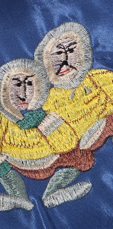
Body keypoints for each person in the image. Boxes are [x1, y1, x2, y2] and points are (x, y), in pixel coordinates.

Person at [0, 58, 79, 210]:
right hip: (16, 161)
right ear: (3, 90)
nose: (22, 94)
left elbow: (67, 141)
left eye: (29, 84)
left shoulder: (48, 112)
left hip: (51, 159)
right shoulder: (1, 119)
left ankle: (53, 192)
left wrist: (45, 123)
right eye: (16, 85)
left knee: (79, 153)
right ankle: (19, 197)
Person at [31, 22, 113, 205]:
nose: (65, 59)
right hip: (76, 142)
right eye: (58, 54)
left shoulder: (98, 78)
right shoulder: (51, 99)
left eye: (71, 51)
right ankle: (52, 193)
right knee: (75, 158)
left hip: (103, 126)